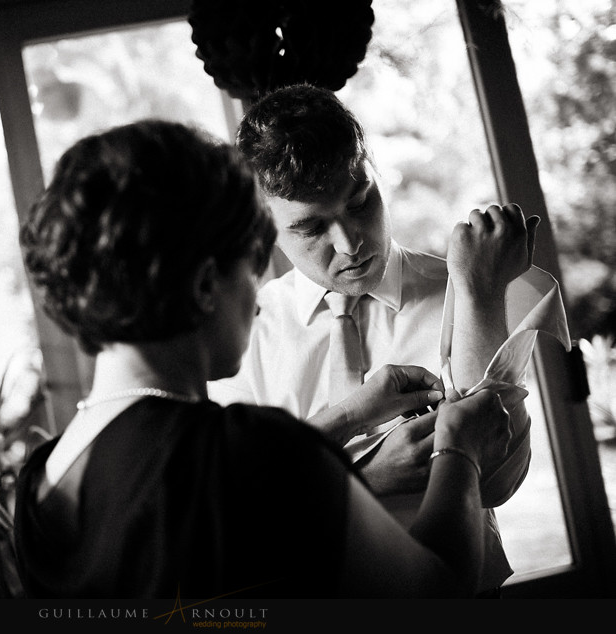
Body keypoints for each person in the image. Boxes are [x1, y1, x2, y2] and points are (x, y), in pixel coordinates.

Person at [14, 118, 511, 599]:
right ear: (205, 286)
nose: (256, 302)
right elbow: (435, 590)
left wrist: (348, 415)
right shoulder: (249, 449)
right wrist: (459, 449)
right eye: (249, 269)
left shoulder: (40, 481)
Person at [208, 83, 540, 596]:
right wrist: (366, 478)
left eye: (360, 202)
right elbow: (235, 508)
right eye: (311, 228)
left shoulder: (472, 289)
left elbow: (498, 480)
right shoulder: (245, 330)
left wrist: (479, 295)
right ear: (264, 228)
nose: (350, 244)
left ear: (377, 175)